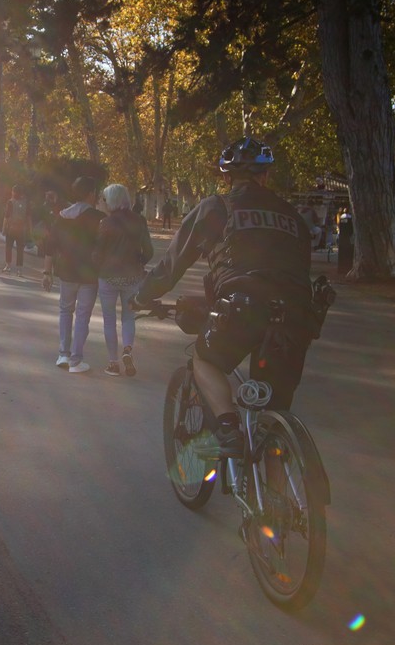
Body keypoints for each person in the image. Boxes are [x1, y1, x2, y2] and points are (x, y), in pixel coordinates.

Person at [134, 137, 316, 457]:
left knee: (205, 359)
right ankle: (277, 500)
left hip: (243, 307)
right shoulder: (294, 216)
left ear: (226, 177)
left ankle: (228, 430)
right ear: (266, 176)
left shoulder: (217, 207)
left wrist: (143, 296)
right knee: (271, 420)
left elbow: (172, 263)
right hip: (297, 315)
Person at [45, 176, 105, 374]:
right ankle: (76, 360)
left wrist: (47, 272)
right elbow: (104, 246)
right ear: (90, 194)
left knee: (65, 311)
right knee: (82, 317)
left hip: (66, 272)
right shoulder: (98, 218)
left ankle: (63, 354)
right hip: (89, 274)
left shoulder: (62, 216)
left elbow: (50, 246)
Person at [93, 183, 153, 376]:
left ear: (111, 200)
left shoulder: (106, 223)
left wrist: (96, 267)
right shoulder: (139, 221)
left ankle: (113, 362)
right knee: (128, 316)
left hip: (108, 276)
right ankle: (127, 349)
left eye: (104, 199)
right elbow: (149, 251)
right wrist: (140, 262)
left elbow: (98, 253)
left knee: (109, 320)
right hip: (132, 276)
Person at [2, 184, 30, 275]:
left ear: (13, 192)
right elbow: (28, 217)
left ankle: (8, 266)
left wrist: (3, 229)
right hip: (21, 229)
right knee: (20, 250)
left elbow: (6, 216)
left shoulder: (10, 202)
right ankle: (19, 269)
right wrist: (30, 229)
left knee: (8, 247)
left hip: (11, 228)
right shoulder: (26, 203)